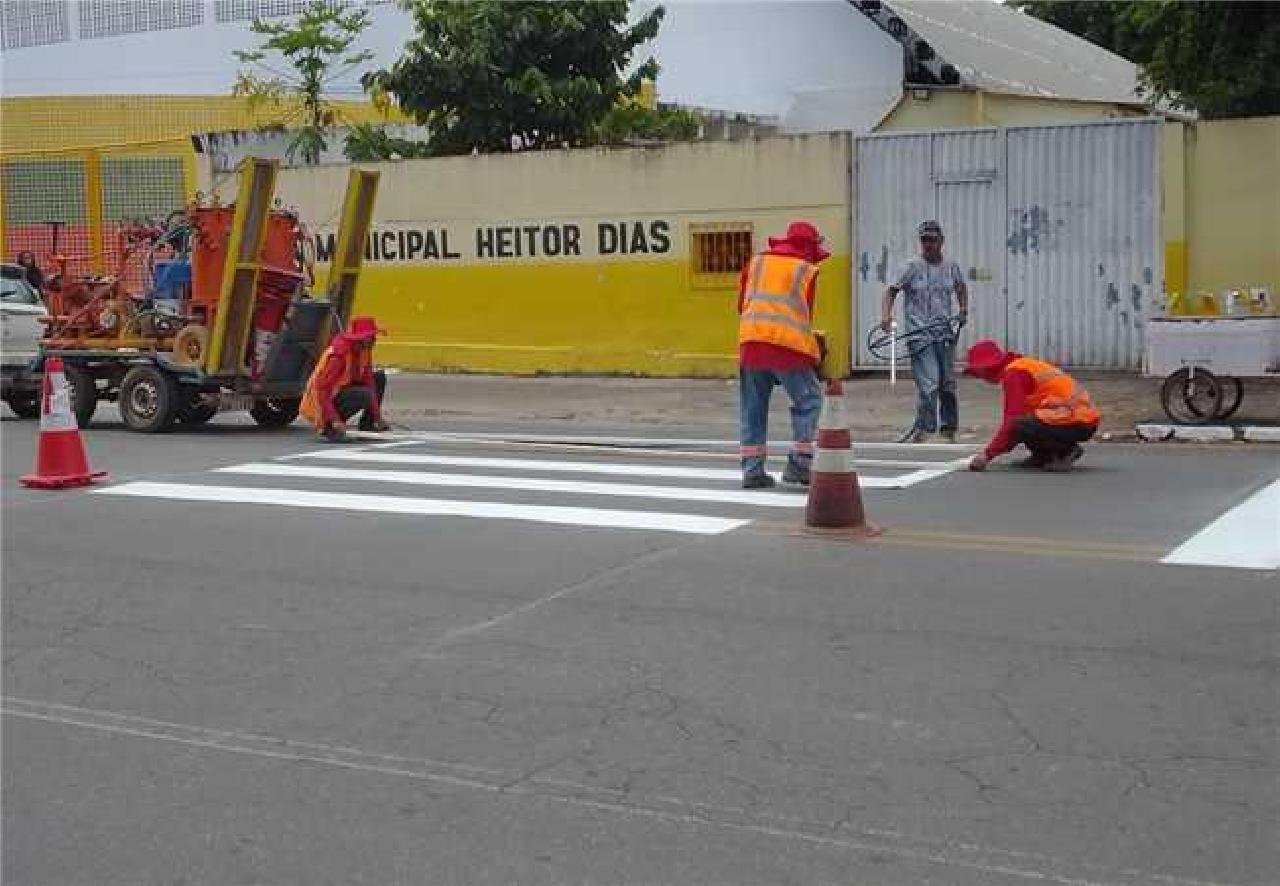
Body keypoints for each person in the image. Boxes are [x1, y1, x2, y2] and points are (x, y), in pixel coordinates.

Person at [737, 220, 829, 489]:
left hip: (752, 340)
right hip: (788, 345)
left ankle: (752, 471)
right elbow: (805, 315)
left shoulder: (757, 263)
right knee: (809, 400)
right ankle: (799, 464)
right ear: (808, 247)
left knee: (753, 407)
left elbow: (741, 304)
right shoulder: (806, 269)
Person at [880, 220, 968, 443]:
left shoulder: (951, 266)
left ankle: (948, 429)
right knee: (929, 384)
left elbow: (960, 286)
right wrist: (886, 316)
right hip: (920, 334)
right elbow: (891, 291)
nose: (928, 244)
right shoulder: (911, 267)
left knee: (947, 383)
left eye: (932, 239)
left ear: (941, 241)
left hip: (944, 333)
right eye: (924, 240)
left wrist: (963, 309)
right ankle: (924, 428)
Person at [964, 339, 1101, 473]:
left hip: (1076, 421)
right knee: (1026, 420)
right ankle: (1042, 456)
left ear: (986, 367)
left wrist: (987, 455)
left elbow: (1012, 421)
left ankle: (1066, 451)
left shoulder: (1014, 374)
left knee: (1021, 424)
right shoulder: (1021, 366)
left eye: (977, 373)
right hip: (1080, 419)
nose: (979, 377)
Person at [300, 315, 390, 443]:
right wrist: (334, 419)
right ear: (359, 340)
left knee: (378, 378)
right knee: (363, 394)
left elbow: (369, 381)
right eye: (370, 337)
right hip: (320, 402)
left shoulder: (364, 350)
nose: (374, 340)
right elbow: (321, 390)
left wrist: (377, 416)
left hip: (340, 391)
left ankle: (369, 423)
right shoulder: (338, 356)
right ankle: (330, 428)